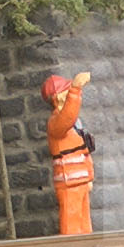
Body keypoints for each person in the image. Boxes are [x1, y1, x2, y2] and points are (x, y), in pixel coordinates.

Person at [41, 71, 94, 235]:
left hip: (80, 180)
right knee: (71, 221)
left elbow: (84, 153)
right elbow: (68, 116)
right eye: (67, 91)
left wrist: (89, 177)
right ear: (59, 98)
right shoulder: (57, 123)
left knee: (84, 221)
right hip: (69, 181)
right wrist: (76, 89)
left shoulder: (75, 124)